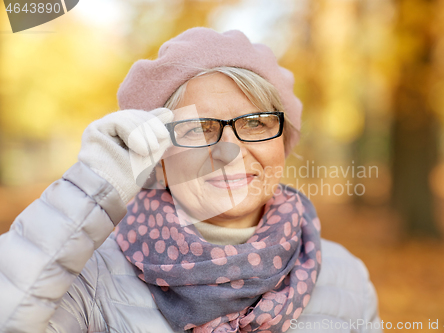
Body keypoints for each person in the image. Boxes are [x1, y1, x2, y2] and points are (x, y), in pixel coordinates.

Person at [0, 28, 382, 333]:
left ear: (282, 144)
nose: (229, 150)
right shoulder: (92, 277)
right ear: (159, 161)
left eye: (255, 123)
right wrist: (90, 186)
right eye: (200, 127)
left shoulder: (344, 276)